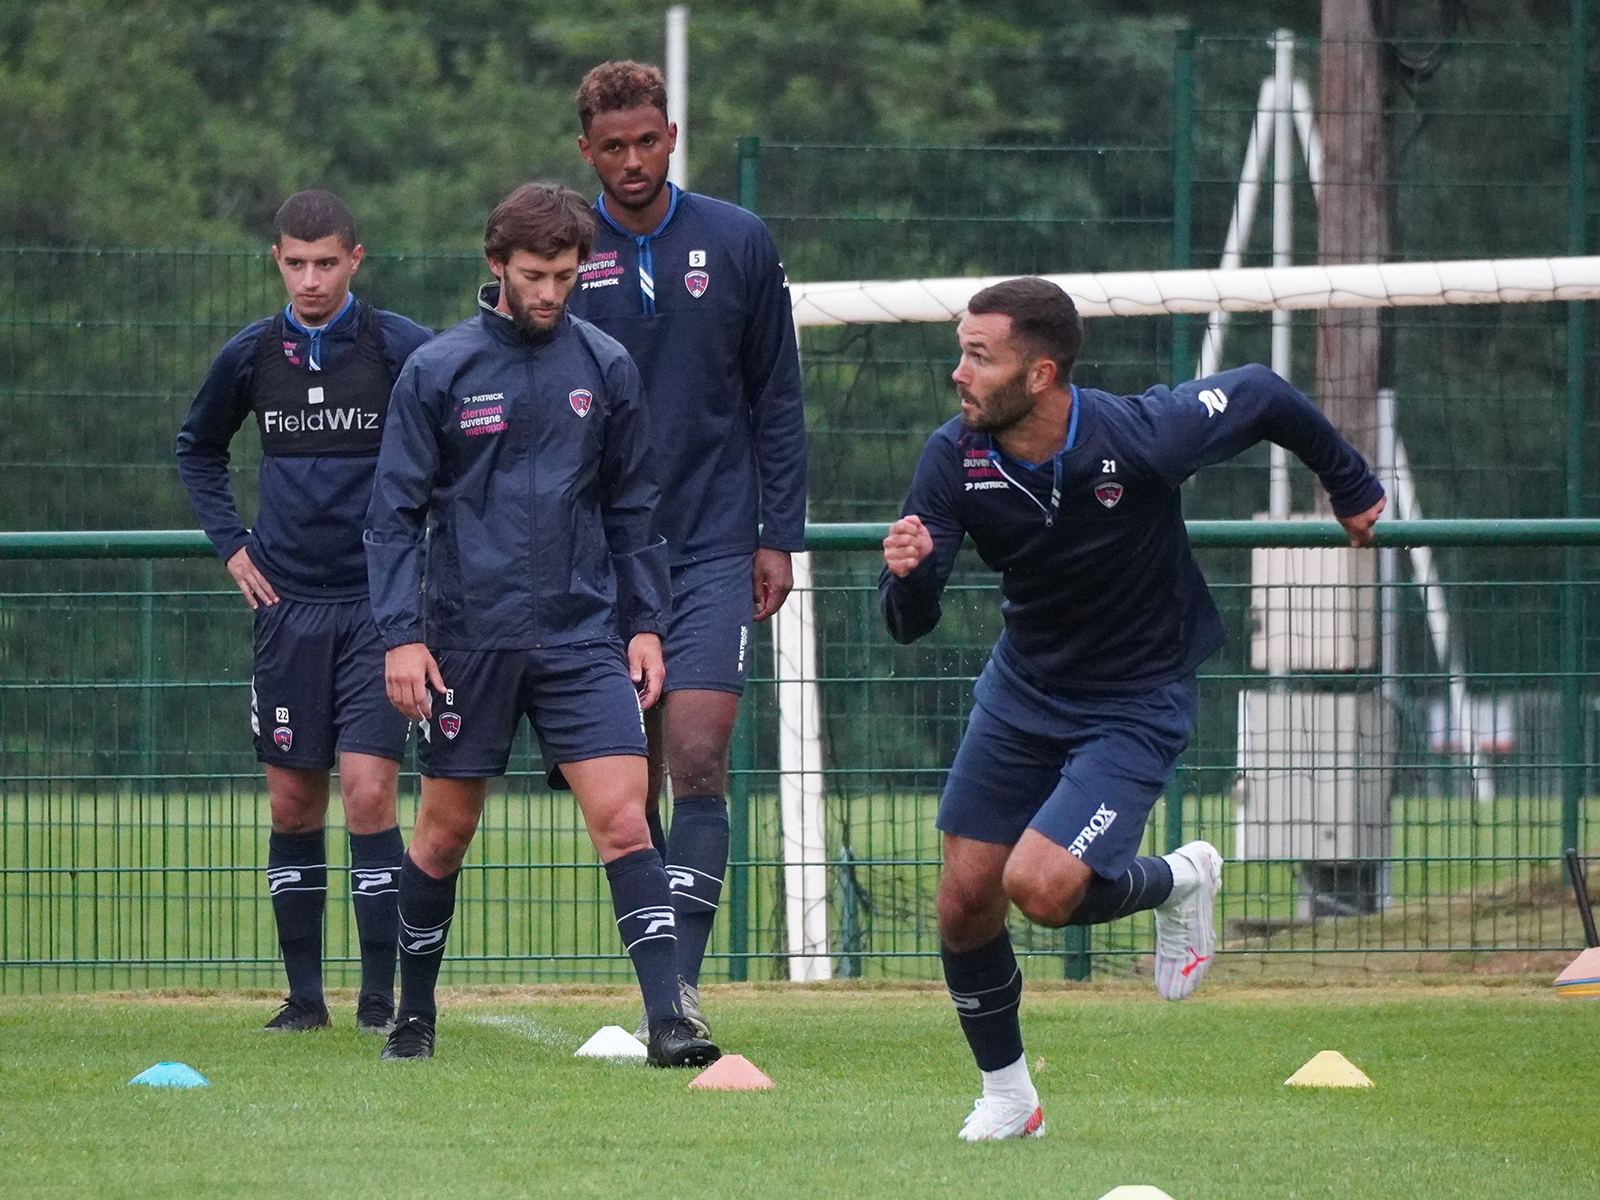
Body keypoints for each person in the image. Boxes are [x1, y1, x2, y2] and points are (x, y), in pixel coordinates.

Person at [879, 277, 1385, 1141]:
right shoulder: (953, 456)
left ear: (1040, 374)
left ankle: (1179, 879)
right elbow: (909, 624)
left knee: (1038, 889)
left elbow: (1260, 391)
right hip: (1023, 692)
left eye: (978, 355)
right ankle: (1010, 1098)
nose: (958, 373)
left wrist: (1350, 483)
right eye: (960, 350)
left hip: (1134, 702)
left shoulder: (1140, 435)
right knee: (966, 899)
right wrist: (912, 572)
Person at [364, 181, 719, 1068]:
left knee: (627, 823)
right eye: (534, 275)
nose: (551, 292)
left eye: (566, 274)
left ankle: (672, 1019)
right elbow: (393, 518)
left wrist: (646, 624)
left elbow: (635, 505)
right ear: (496, 266)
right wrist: (401, 634)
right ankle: (414, 1016)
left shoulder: (604, 367)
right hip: (466, 641)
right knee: (443, 834)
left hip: (581, 638)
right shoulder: (437, 371)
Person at [569, 61, 807, 1037]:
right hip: (599, 558)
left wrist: (778, 536)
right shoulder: (558, 251)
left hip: (713, 540)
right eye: (612, 147)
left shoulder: (738, 241)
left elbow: (777, 400)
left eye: (648, 141)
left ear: (673, 135)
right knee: (636, 776)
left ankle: (679, 1002)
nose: (633, 161)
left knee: (701, 757)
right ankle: (665, 989)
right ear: (586, 152)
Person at [175, 190, 432, 1034]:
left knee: (367, 794)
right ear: (276, 260)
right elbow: (198, 448)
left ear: (357, 259)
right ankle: (304, 1001)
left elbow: (464, 437)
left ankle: (377, 1002)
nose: (311, 278)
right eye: (296, 263)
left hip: (376, 611)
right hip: (287, 608)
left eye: (327, 262)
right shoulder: (253, 354)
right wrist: (232, 544)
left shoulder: (401, 349)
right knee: (292, 804)